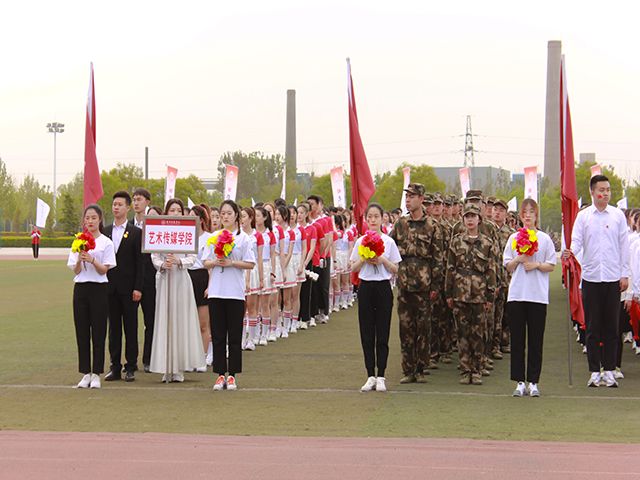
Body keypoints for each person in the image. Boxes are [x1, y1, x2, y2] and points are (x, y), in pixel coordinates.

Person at [563, 174, 630, 388]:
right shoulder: (584, 217)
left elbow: (624, 247)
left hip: (612, 279)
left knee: (612, 327)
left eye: (608, 190)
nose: (605, 193)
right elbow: (576, 242)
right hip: (591, 279)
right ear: (592, 192)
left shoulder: (617, 216)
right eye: (601, 189)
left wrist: (624, 273)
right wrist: (569, 254)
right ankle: (594, 371)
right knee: (592, 327)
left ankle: (609, 370)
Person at [390, 183, 443, 384]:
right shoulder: (400, 224)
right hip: (404, 283)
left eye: (412, 196)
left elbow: (438, 259)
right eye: (407, 196)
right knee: (406, 328)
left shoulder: (432, 226)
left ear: (422, 199)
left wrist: (435, 287)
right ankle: (408, 369)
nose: (408, 199)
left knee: (423, 328)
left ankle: (421, 368)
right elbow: (390, 247)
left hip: (424, 284)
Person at [503, 199, 556, 397]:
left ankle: (533, 381)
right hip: (517, 294)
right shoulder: (513, 238)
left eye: (531, 212)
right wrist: (519, 259)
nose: (527, 215)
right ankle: (519, 382)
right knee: (517, 340)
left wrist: (536, 265)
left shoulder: (544, 239)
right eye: (524, 212)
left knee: (536, 339)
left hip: (538, 296)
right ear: (520, 216)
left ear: (536, 215)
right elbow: (507, 265)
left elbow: (551, 264)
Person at [150, 199, 205, 382]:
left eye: (178, 210)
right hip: (166, 280)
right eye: (171, 210)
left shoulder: (188, 232)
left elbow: (192, 258)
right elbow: (154, 255)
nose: (174, 213)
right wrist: (162, 264)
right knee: (165, 320)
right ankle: (166, 366)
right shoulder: (159, 231)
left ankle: (179, 367)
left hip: (181, 280)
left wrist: (179, 261)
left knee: (181, 321)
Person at [204, 200, 256, 391]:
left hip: (235, 292)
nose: (224, 217)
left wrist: (231, 263)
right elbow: (205, 262)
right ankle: (219, 375)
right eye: (222, 213)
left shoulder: (243, 239)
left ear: (236, 215)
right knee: (217, 335)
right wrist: (216, 261)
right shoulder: (214, 236)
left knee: (234, 335)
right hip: (216, 291)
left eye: (228, 213)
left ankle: (232, 375)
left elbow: (250, 263)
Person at [351, 204, 401, 393]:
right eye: (369, 217)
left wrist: (382, 260)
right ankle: (370, 375)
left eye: (376, 217)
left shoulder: (388, 242)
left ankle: (381, 375)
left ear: (382, 219)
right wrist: (364, 258)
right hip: (365, 287)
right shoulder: (360, 241)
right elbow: (353, 267)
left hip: (383, 287)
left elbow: (396, 268)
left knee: (382, 331)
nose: (372, 220)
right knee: (366, 333)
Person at [445, 204, 496, 386]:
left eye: (473, 216)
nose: (470, 219)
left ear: (479, 219)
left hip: (479, 295)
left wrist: (490, 296)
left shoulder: (487, 243)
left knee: (478, 334)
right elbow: (450, 269)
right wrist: (448, 293)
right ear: (463, 219)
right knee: (462, 333)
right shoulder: (456, 242)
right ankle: (466, 369)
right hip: (460, 293)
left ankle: (477, 370)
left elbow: (491, 270)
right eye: (467, 216)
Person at [67, 204, 116, 389]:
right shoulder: (78, 241)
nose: (90, 221)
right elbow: (76, 270)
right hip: (81, 289)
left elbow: (105, 270)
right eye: (87, 218)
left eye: (93, 218)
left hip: (99, 289)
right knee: (82, 331)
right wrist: (80, 258)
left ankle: (96, 373)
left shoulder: (106, 242)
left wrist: (93, 259)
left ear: (100, 219)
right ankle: (85, 373)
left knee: (98, 331)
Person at [103, 191, 143, 382]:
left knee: (130, 327)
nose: (116, 207)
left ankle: (131, 366)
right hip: (110, 288)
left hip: (129, 289)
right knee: (114, 329)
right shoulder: (106, 231)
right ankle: (115, 366)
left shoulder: (136, 233)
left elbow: (140, 263)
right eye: (114, 204)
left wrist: (138, 287)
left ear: (127, 207)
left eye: (120, 204)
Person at [131, 187, 156, 373]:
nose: (136, 202)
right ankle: (130, 361)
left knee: (151, 321)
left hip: (150, 277)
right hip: (131, 280)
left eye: (139, 199)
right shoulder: (129, 226)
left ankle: (148, 359)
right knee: (130, 322)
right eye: (134, 199)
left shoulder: (153, 223)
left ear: (147, 201)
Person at [188, 204, 214, 371]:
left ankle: (203, 358)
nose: (191, 219)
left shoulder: (209, 238)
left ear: (202, 220)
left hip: (202, 277)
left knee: (203, 324)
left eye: (194, 216)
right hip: (186, 276)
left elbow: (211, 266)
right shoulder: (184, 236)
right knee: (188, 323)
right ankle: (190, 359)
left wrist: (210, 285)